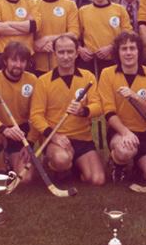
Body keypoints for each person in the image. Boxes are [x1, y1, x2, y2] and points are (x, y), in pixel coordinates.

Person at [30, 33, 106, 186]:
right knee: (62, 159)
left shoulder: (88, 77)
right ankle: (60, 168)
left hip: (83, 139)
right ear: (55, 53)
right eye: (61, 52)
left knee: (97, 180)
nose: (66, 56)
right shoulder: (43, 81)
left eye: (70, 52)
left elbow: (98, 106)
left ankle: (76, 166)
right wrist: (54, 136)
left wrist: (83, 110)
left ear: (77, 52)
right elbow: (36, 116)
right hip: (57, 139)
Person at [98, 31, 146, 184]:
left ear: (139, 51)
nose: (128, 52)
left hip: (144, 132)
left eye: (132, 48)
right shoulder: (107, 74)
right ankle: (117, 163)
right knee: (126, 149)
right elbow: (108, 112)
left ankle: (138, 166)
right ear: (117, 52)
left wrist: (136, 98)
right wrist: (125, 132)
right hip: (119, 131)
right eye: (124, 48)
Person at [0, 42, 38, 184]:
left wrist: (29, 142)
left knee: (25, 180)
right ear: (5, 61)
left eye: (22, 61)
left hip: (20, 131)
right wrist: (4, 130)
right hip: (1, 130)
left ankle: (11, 158)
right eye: (14, 60)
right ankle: (0, 167)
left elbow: (37, 115)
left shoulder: (33, 80)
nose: (18, 65)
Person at [77, 0, 131, 75]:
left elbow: (127, 35)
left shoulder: (119, 10)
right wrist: (80, 49)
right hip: (90, 61)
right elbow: (76, 35)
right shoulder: (83, 11)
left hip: (114, 59)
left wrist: (111, 47)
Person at [33, 0, 80, 74]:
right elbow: (28, 37)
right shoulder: (33, 5)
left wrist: (49, 39)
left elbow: (74, 33)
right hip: (39, 66)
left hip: (65, 66)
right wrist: (38, 46)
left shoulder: (70, 5)